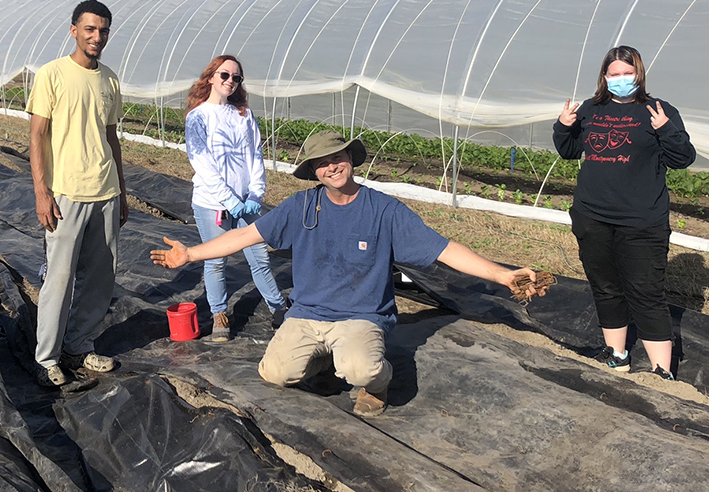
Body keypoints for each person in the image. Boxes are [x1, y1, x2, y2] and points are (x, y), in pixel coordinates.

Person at [152, 130, 543, 417]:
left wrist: (503, 275)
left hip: (361, 316)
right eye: (322, 162)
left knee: (360, 369)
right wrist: (190, 254)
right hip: (307, 313)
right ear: (314, 172)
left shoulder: (383, 211)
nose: (332, 166)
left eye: (337, 157)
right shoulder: (301, 208)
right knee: (275, 373)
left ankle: (378, 382)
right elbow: (243, 236)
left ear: (351, 159)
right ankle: (325, 357)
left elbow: (444, 249)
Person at [553, 45, 696, 380]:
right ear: (604, 77)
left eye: (627, 73)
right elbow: (570, 151)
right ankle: (617, 355)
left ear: (639, 74)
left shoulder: (658, 110)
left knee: (646, 291)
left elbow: (683, 158)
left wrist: (665, 130)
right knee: (605, 285)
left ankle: (662, 370)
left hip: (642, 221)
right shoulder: (590, 109)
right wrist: (563, 126)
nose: (621, 79)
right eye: (614, 74)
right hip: (592, 215)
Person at [27, 0, 128, 388]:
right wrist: (41, 191)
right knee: (60, 277)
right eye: (89, 29)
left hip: (105, 191)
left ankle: (78, 345)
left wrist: (122, 189)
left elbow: (111, 137)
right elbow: (36, 136)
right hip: (66, 193)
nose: (97, 37)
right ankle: (47, 357)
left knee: (100, 277)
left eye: (103, 30)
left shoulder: (110, 80)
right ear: (74, 30)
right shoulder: (52, 74)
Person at [184, 55, 287, 341]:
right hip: (212, 203)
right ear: (211, 78)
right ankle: (219, 313)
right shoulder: (198, 117)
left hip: (247, 201)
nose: (230, 81)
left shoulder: (243, 114)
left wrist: (256, 192)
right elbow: (202, 164)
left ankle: (279, 308)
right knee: (217, 260)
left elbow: (255, 155)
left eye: (236, 77)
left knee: (260, 257)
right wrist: (228, 200)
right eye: (224, 75)